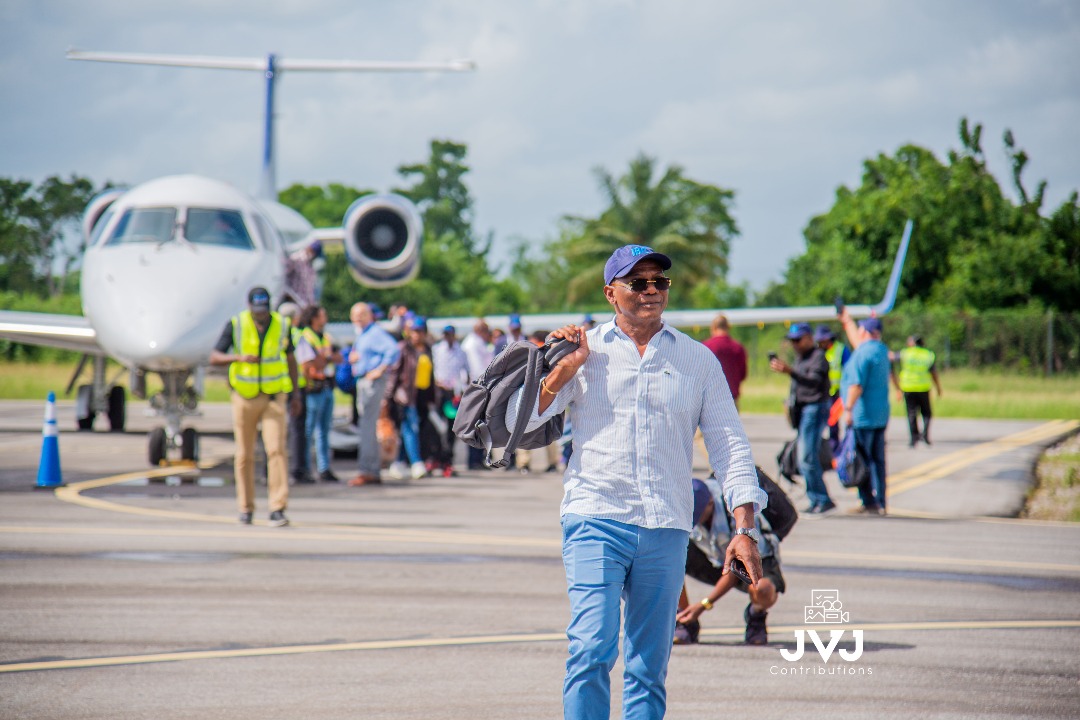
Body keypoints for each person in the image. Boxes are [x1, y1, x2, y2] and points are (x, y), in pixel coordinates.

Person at [505, 244, 767, 720]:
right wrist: (560, 371)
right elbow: (521, 430)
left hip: (666, 525)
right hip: (595, 518)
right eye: (638, 283)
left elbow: (730, 446)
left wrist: (745, 530)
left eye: (659, 283)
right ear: (611, 293)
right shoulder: (583, 351)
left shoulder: (698, 360)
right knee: (591, 647)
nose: (651, 291)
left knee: (648, 666)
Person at [208, 287, 301, 527]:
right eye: (256, 310)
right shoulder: (236, 324)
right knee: (244, 455)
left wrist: (295, 393)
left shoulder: (282, 324)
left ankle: (277, 508)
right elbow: (215, 356)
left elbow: (291, 359)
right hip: (244, 397)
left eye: (264, 310)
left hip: (273, 397)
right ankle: (245, 507)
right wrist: (238, 358)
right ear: (249, 307)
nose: (260, 315)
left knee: (276, 451)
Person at [674, 477, 784, 646]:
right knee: (671, 556)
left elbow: (736, 569)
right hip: (715, 558)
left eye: (698, 517)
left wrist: (704, 604)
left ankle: (756, 614)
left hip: (750, 561)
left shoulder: (734, 510)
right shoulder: (687, 504)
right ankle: (685, 620)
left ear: (710, 502)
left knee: (763, 589)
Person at [770, 322, 833, 514]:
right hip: (803, 411)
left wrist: (790, 372)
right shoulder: (801, 358)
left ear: (809, 338)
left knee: (806, 457)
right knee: (806, 456)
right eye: (792, 341)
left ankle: (821, 499)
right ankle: (817, 499)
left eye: (798, 340)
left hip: (815, 409)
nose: (795, 344)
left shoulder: (818, 357)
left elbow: (814, 382)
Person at [839, 311, 892, 515]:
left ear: (866, 331)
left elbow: (856, 385)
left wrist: (848, 409)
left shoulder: (862, 353)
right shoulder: (881, 350)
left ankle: (868, 501)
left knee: (862, 459)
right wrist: (846, 320)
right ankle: (881, 501)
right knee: (878, 460)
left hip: (863, 415)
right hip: (880, 415)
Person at [347, 302, 401, 486]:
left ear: (370, 315)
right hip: (364, 380)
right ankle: (370, 468)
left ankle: (368, 470)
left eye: (361, 314)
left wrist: (379, 369)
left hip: (371, 382)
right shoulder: (363, 334)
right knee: (366, 426)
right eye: (354, 314)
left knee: (367, 427)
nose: (357, 318)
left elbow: (392, 350)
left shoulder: (374, 333)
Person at [295, 304, 343, 483]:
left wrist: (324, 359)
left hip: (326, 386)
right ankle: (306, 467)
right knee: (309, 431)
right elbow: (310, 364)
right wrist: (327, 359)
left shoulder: (325, 337)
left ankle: (324, 468)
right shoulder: (306, 337)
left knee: (324, 430)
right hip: (313, 389)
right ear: (314, 318)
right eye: (323, 314)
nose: (326, 317)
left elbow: (334, 358)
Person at [385, 317, 432, 481]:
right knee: (410, 428)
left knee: (408, 431)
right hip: (404, 397)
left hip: (421, 396)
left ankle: (398, 463)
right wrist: (387, 398)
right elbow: (394, 375)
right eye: (414, 331)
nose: (417, 335)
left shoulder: (427, 350)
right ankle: (416, 463)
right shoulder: (403, 349)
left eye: (420, 331)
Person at [278, 302, 310, 485]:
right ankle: (298, 470)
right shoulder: (298, 335)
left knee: (274, 433)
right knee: (298, 431)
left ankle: (269, 472)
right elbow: (305, 361)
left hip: (275, 387)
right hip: (295, 387)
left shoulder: (274, 333)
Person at [891, 335, 943, 447]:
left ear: (912, 343)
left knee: (911, 413)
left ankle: (913, 438)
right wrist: (938, 387)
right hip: (923, 388)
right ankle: (925, 435)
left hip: (908, 387)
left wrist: (896, 386)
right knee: (927, 413)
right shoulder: (928, 354)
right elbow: (933, 373)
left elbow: (891, 357)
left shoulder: (905, 353)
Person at [432, 325, 469, 477]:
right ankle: (436, 459)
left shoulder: (461, 352)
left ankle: (448, 461)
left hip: (454, 394)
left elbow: (465, 371)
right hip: (438, 392)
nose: (448, 337)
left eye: (450, 335)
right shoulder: (436, 350)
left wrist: (461, 388)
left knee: (451, 429)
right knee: (435, 427)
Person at [461, 319, 494, 470]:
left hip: (480, 388)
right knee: (475, 425)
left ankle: (478, 458)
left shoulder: (478, 343)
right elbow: (477, 369)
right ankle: (473, 460)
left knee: (481, 425)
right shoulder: (472, 344)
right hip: (477, 389)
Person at [815, 324, 851, 454]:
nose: (819, 343)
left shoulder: (841, 350)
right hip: (823, 393)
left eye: (821, 340)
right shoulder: (818, 352)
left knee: (834, 423)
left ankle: (836, 449)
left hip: (838, 393)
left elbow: (849, 371)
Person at [702, 314, 747, 410]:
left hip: (710, 399)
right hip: (731, 398)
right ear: (728, 327)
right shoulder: (738, 348)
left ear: (713, 327)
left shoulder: (705, 346)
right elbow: (743, 374)